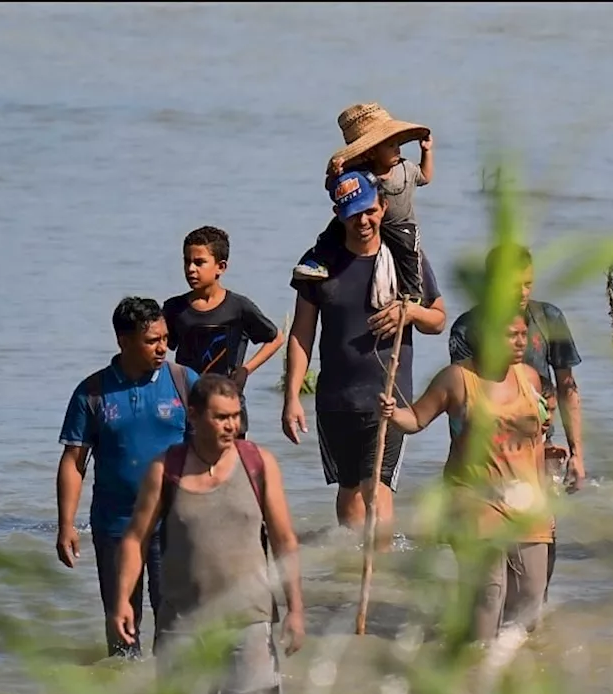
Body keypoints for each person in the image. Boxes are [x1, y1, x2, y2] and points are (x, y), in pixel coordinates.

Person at [111, 374, 304, 694]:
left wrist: (296, 609)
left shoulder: (259, 464)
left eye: (235, 416)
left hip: (250, 623)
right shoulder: (164, 469)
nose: (231, 426)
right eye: (220, 417)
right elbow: (135, 538)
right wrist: (123, 600)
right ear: (194, 416)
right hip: (184, 624)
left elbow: (284, 540)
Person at [282, 170, 446, 545]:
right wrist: (292, 397)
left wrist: (410, 313)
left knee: (378, 488)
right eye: (354, 213)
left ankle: (381, 574)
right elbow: (302, 333)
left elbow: (437, 319)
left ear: (383, 206)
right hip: (336, 399)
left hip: (388, 397)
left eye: (370, 211)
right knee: (350, 490)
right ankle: (353, 573)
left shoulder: (405, 260)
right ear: (339, 214)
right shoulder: (318, 265)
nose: (364, 221)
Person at [380, 314, 553, 644]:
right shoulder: (457, 379)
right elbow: (416, 418)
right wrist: (392, 413)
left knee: (531, 597)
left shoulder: (529, 377)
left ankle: (513, 673)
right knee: (488, 595)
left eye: (522, 334)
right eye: (509, 334)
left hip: (527, 502)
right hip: (474, 501)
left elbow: (537, 443)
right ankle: (475, 665)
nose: (520, 341)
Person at [55, 296, 200, 658]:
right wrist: (66, 525)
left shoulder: (185, 381)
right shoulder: (92, 392)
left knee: (177, 628)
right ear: (123, 341)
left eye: (165, 337)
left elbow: (216, 451)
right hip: (115, 526)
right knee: (122, 634)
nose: (163, 347)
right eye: (152, 340)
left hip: (174, 525)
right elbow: (74, 461)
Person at [448, 243, 586, 602]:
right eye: (513, 285)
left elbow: (567, 387)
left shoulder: (548, 319)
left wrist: (577, 454)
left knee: (542, 544)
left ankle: (527, 628)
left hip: (538, 450)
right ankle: (478, 627)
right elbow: (463, 397)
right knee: (485, 556)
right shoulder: (469, 328)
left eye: (527, 284)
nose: (522, 293)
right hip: (485, 454)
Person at [292, 103, 434, 304]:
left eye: (397, 144)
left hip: (400, 223)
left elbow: (425, 176)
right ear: (371, 152)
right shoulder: (359, 172)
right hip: (367, 220)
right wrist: (335, 173)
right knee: (333, 231)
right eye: (391, 145)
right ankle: (319, 262)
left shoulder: (406, 168)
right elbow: (333, 188)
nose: (397, 149)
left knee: (409, 254)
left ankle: (412, 295)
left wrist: (426, 151)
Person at [163, 226, 284, 438]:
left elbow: (276, 337)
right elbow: (161, 350)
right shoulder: (174, 308)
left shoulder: (238, 307)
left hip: (229, 404)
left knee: (230, 467)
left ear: (221, 267)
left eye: (199, 262)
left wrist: (246, 370)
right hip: (188, 406)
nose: (191, 269)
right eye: (187, 261)